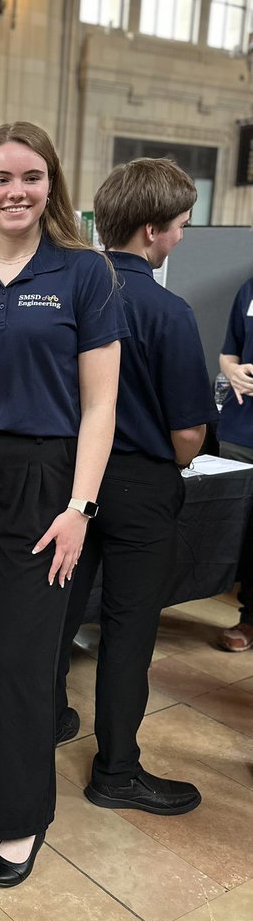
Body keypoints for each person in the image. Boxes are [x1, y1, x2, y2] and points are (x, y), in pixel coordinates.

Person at [0, 121, 126, 887]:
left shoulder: (84, 274)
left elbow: (100, 406)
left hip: (47, 477)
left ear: (51, 187)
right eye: (1, 178)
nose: (16, 191)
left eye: (30, 177)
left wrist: (81, 506)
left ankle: (22, 815)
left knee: (22, 652)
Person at [56, 158, 215, 813]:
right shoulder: (169, 313)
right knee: (127, 632)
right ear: (152, 232)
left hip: (68, 481)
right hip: (142, 486)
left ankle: (39, 724)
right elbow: (187, 435)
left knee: (55, 612)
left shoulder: (66, 293)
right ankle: (117, 770)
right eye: (178, 227)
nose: (181, 237)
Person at [215, 273, 253, 652]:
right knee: (240, 538)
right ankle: (248, 619)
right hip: (240, 432)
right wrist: (233, 371)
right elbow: (229, 353)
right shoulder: (249, 288)